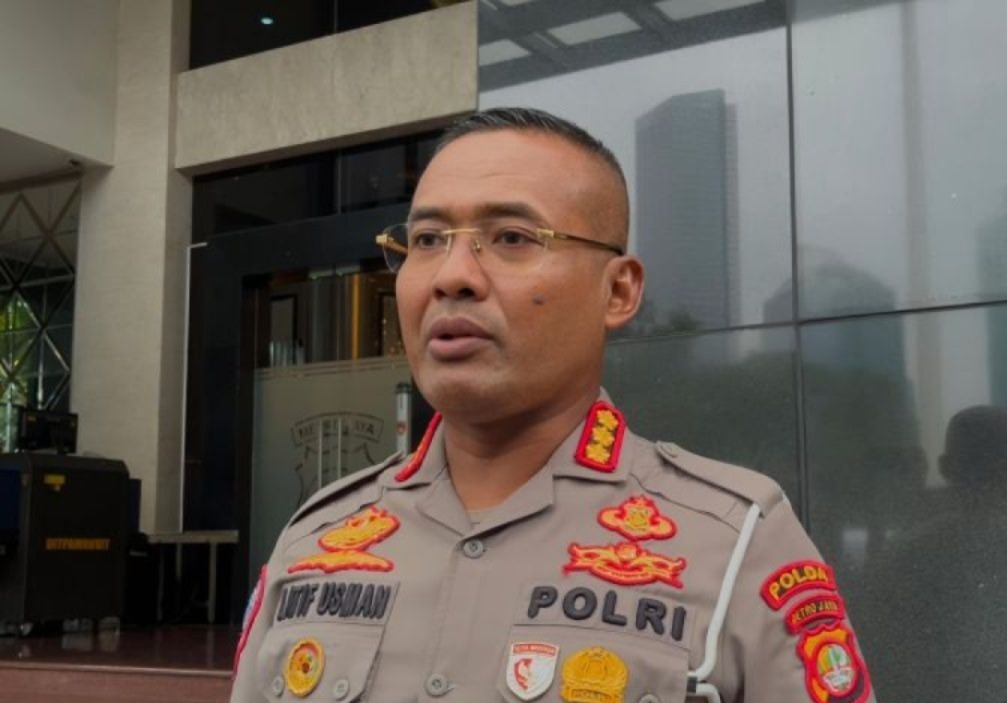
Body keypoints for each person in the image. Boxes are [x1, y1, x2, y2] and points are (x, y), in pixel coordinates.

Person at [230, 107, 876, 703]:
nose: (452, 275)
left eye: (511, 236)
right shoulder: (316, 540)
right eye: (426, 239)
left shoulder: (734, 541)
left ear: (618, 291)